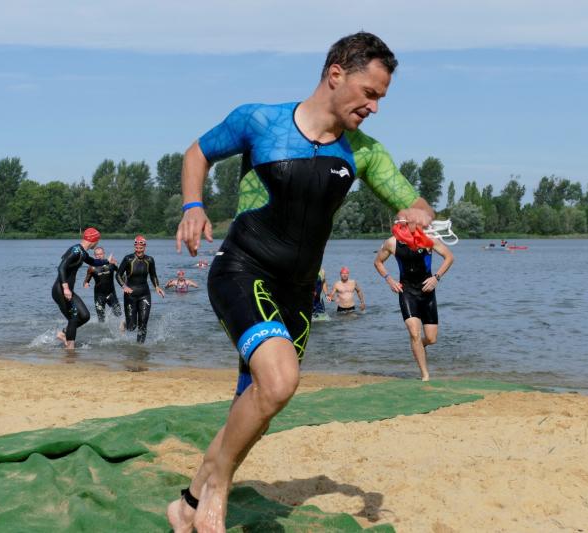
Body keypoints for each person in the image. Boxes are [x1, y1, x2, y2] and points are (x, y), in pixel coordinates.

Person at [169, 32, 434, 532]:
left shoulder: (364, 152)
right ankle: (217, 490)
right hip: (242, 268)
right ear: (336, 74)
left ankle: (187, 504)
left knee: (257, 407)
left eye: (381, 98)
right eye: (369, 93)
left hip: (299, 292)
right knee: (280, 381)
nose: (375, 107)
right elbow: (197, 153)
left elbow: (412, 200)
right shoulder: (260, 121)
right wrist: (193, 205)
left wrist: (418, 211)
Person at [374, 224, 454, 381]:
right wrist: (389, 280)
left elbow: (449, 257)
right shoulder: (392, 242)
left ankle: (419, 346)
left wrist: (436, 278)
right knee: (414, 333)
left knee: (431, 339)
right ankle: (425, 374)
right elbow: (378, 262)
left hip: (427, 291)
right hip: (407, 292)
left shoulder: (428, 239)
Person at [52, 227, 114, 350]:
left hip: (68, 291)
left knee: (85, 316)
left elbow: (93, 262)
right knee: (74, 317)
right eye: (98, 240)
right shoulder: (75, 250)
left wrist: (107, 261)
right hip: (60, 290)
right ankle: (70, 348)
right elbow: (61, 267)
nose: (97, 243)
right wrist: (65, 288)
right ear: (94, 240)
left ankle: (64, 333)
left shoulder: (83, 253)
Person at [115, 235, 165, 343]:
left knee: (143, 323)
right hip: (130, 294)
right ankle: (125, 323)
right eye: (136, 248)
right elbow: (118, 274)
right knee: (132, 327)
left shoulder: (149, 260)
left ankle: (140, 348)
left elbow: (153, 275)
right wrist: (124, 286)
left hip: (144, 294)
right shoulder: (128, 259)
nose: (138, 250)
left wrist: (157, 286)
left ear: (145, 247)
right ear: (134, 247)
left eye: (141, 248)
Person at [82, 246, 121, 323]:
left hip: (111, 294)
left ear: (104, 254)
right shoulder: (92, 268)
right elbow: (86, 281)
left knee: (118, 314)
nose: (99, 256)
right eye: (97, 254)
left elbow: (120, 274)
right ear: (94, 256)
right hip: (99, 296)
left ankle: (119, 327)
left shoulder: (111, 264)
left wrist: (116, 264)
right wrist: (86, 284)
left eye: (101, 254)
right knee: (101, 319)